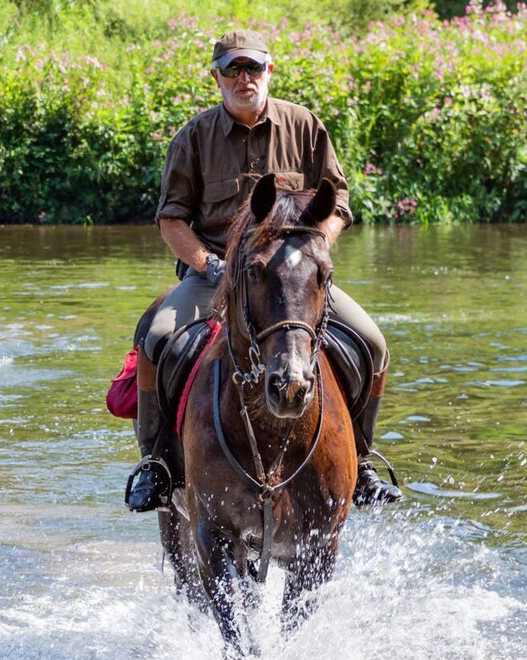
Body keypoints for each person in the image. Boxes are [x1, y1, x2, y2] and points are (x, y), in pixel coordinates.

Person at [125, 29, 401, 512]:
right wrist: (209, 265)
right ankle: (157, 462)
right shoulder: (193, 138)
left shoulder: (305, 126)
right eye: (232, 69)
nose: (244, 78)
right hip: (213, 274)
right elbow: (171, 220)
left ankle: (363, 459)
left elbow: (338, 201)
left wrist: (313, 250)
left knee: (374, 345)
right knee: (155, 337)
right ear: (217, 77)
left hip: (293, 277)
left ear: (268, 71)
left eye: (252, 68)